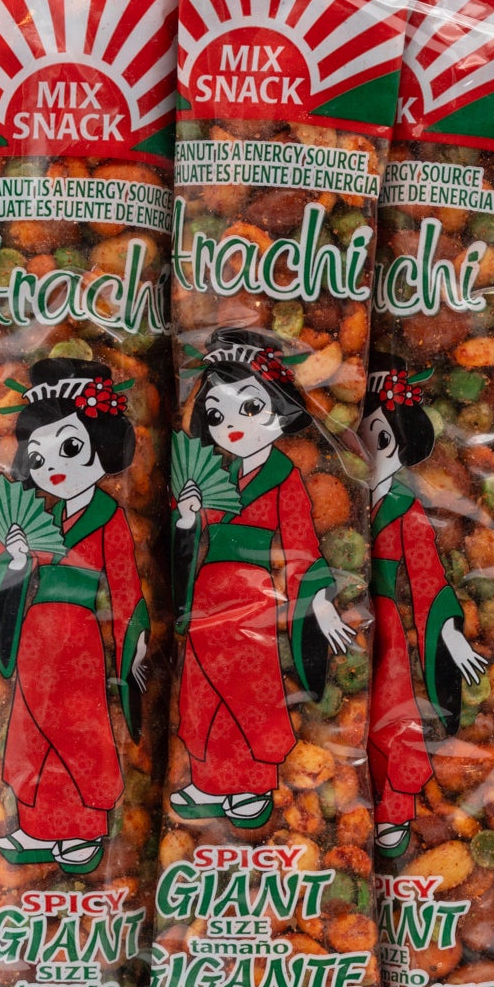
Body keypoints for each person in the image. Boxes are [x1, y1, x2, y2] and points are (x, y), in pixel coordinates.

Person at [168, 330, 353, 833]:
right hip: (207, 594)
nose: (231, 426)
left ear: (280, 412)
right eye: (216, 415)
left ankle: (251, 783)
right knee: (202, 690)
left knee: (250, 690)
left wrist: (319, 602)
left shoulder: (285, 476)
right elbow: (195, 536)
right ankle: (209, 781)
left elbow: (301, 542)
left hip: (254, 595)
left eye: (249, 409)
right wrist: (188, 517)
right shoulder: (217, 476)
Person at [0, 359, 149, 874]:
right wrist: (16, 560)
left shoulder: (109, 517)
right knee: (30, 730)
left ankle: (85, 828)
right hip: (34, 638)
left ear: (102, 446)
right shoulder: (41, 517)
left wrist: (134, 640)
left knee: (79, 728)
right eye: (40, 454)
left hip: (80, 638)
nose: (53, 465)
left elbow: (125, 584)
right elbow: (0, 587)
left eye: (70, 448)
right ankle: (37, 827)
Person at [358, 369, 487, 865]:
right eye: (362, 437)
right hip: (353, 620)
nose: (370, 451)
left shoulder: (407, 509)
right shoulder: (350, 496)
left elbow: (430, 578)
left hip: (394, 626)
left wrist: (451, 636)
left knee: (397, 716)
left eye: (381, 439)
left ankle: (395, 811)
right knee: (361, 720)